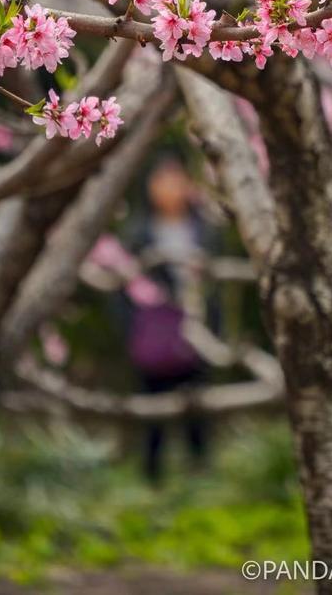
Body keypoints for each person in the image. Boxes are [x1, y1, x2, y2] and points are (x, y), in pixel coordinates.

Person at [126, 157, 216, 483]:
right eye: (162, 181)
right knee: (154, 408)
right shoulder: (138, 233)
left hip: (198, 325)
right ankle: (153, 479)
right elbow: (126, 286)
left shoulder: (204, 228)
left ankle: (200, 475)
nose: (170, 189)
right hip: (155, 330)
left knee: (198, 406)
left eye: (177, 181)